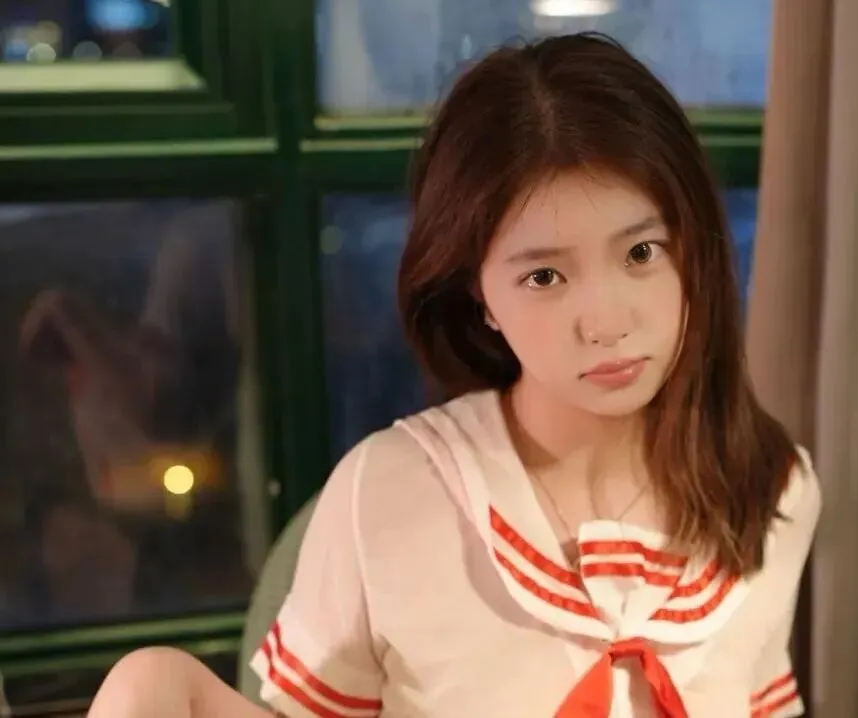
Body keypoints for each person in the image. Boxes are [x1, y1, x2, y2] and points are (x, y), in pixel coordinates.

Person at [86, 32, 820, 718]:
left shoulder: (773, 487)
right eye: (543, 276)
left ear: (692, 247)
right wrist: (155, 684)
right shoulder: (391, 495)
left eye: (640, 254)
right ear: (480, 297)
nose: (606, 321)